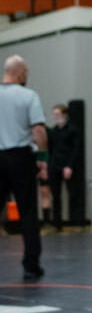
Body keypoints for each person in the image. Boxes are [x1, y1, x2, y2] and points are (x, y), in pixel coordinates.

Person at [0, 55, 47, 280]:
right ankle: (31, 264)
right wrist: (43, 157)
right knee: (27, 212)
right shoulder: (29, 95)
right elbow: (38, 130)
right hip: (20, 157)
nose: (27, 76)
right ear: (18, 72)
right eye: (26, 72)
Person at [47, 103, 84, 231]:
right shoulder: (53, 131)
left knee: (73, 194)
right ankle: (57, 224)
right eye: (54, 114)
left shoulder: (73, 130)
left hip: (69, 165)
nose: (56, 117)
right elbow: (50, 150)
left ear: (64, 115)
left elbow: (76, 149)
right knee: (55, 196)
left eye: (58, 114)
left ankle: (77, 222)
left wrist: (69, 166)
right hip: (55, 166)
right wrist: (50, 165)